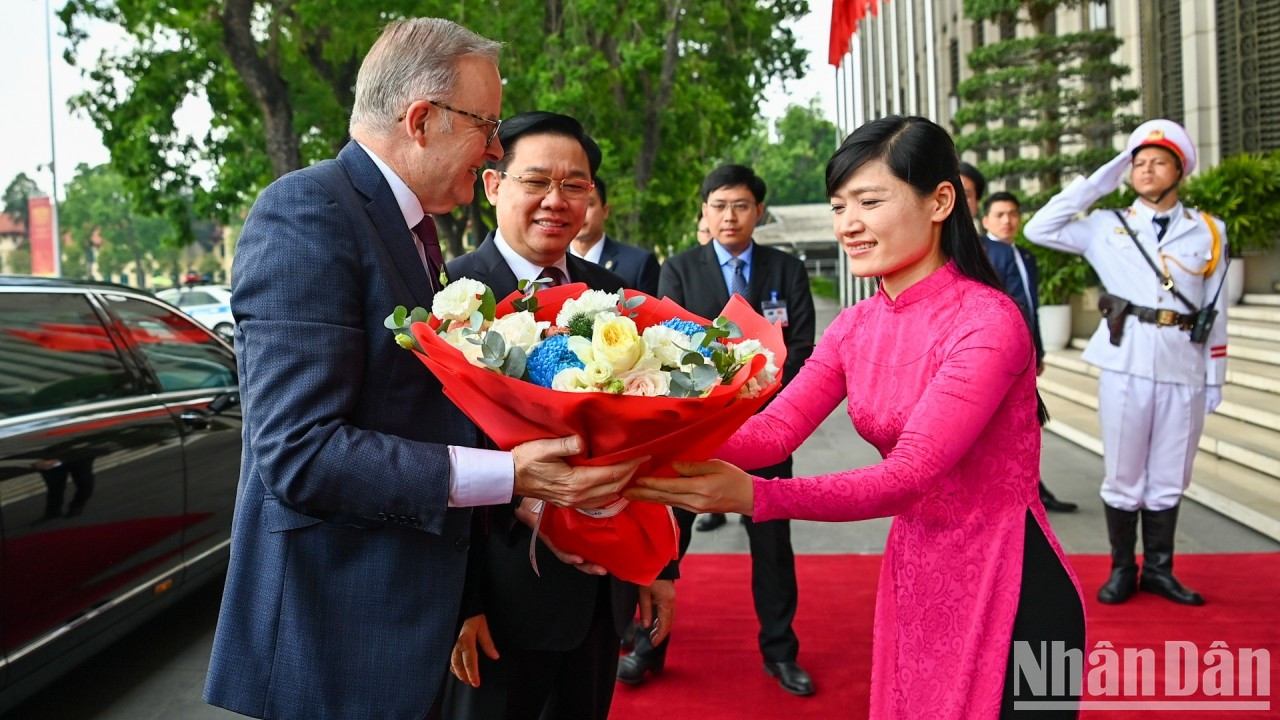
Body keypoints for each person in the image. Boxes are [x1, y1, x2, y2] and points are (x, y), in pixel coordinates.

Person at [203, 21, 640, 720]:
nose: (495, 148)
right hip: (337, 640)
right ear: (422, 119)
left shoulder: (414, 233)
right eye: (488, 127)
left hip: (404, 628)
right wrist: (513, 475)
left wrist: (525, 499)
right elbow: (299, 453)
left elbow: (419, 414)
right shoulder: (307, 212)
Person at [628, 116, 1086, 718]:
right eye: (840, 205)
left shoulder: (988, 322)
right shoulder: (856, 325)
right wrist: (646, 426)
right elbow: (774, 430)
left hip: (1010, 578)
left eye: (870, 201)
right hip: (917, 568)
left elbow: (908, 475)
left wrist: (756, 498)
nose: (848, 224)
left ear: (941, 200)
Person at [440, 111, 674, 720]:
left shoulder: (617, 298)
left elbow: (652, 436)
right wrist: (457, 604)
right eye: (536, 181)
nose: (555, 200)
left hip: (599, 593)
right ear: (494, 186)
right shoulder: (446, 297)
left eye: (574, 185)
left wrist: (658, 562)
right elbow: (431, 454)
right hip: (495, 597)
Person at [619, 164, 816, 697]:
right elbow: (670, 352)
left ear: (759, 212)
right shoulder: (680, 270)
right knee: (666, 540)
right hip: (693, 435)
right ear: (705, 211)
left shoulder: (786, 270)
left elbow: (801, 354)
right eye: (720, 205)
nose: (730, 216)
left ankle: (781, 652)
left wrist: (758, 403)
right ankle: (649, 644)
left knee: (773, 546)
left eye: (741, 206)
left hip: (768, 431)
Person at [1024, 119, 1228, 607]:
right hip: (1125, 360)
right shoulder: (1105, 226)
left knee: (1170, 473)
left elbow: (1214, 310)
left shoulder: (1209, 231)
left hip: (1184, 364)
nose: (1146, 169)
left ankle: (1160, 570)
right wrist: (1099, 181)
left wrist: (1216, 374)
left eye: (1158, 162)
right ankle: (1122, 568)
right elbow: (1039, 227)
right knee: (1124, 471)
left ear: (1180, 171)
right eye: (1137, 162)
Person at [981, 191, 1078, 513]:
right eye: (1000, 214)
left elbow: (1031, 307)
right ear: (986, 221)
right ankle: (1013, 488)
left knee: (1024, 423)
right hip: (999, 354)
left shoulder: (1026, 256)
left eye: (1012, 213)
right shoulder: (984, 254)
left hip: (1026, 351)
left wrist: (1039, 350)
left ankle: (1030, 486)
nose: (1008, 220)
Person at [569, 175, 661, 294]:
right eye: (573, 204)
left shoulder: (640, 264)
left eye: (588, 204)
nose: (580, 213)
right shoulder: (551, 262)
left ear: (605, 211)